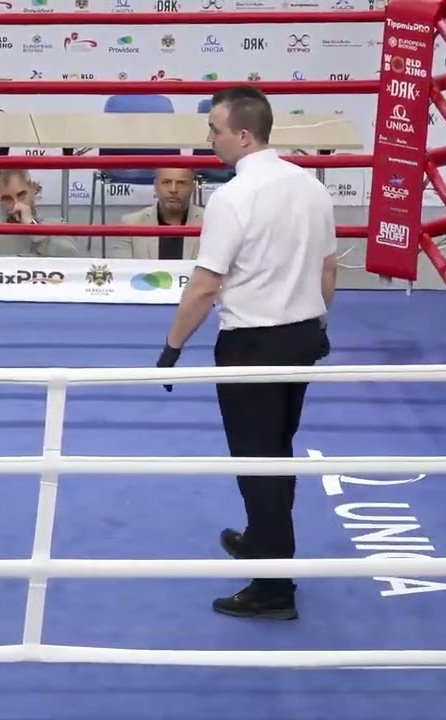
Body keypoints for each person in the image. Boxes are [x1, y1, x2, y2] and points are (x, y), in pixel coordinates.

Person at [154, 86, 335, 620]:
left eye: (215, 129)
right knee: (277, 451)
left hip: (253, 344)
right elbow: (327, 271)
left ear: (244, 135)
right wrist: (318, 322)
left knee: (259, 464)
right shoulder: (312, 188)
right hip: (302, 338)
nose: (209, 138)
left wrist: (172, 346)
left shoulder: (233, 198)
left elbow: (205, 285)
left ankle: (274, 588)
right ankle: (262, 540)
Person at [0, 169, 80, 257]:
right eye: (7, 199)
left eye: (21, 195)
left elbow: (71, 257)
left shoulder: (58, 225)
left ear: (33, 190)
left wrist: (33, 228)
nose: (16, 205)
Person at [109, 167, 204, 260]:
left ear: (193, 187)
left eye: (181, 183)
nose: (173, 189)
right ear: (155, 186)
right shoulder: (129, 224)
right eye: (166, 182)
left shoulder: (208, 223)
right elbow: (122, 268)